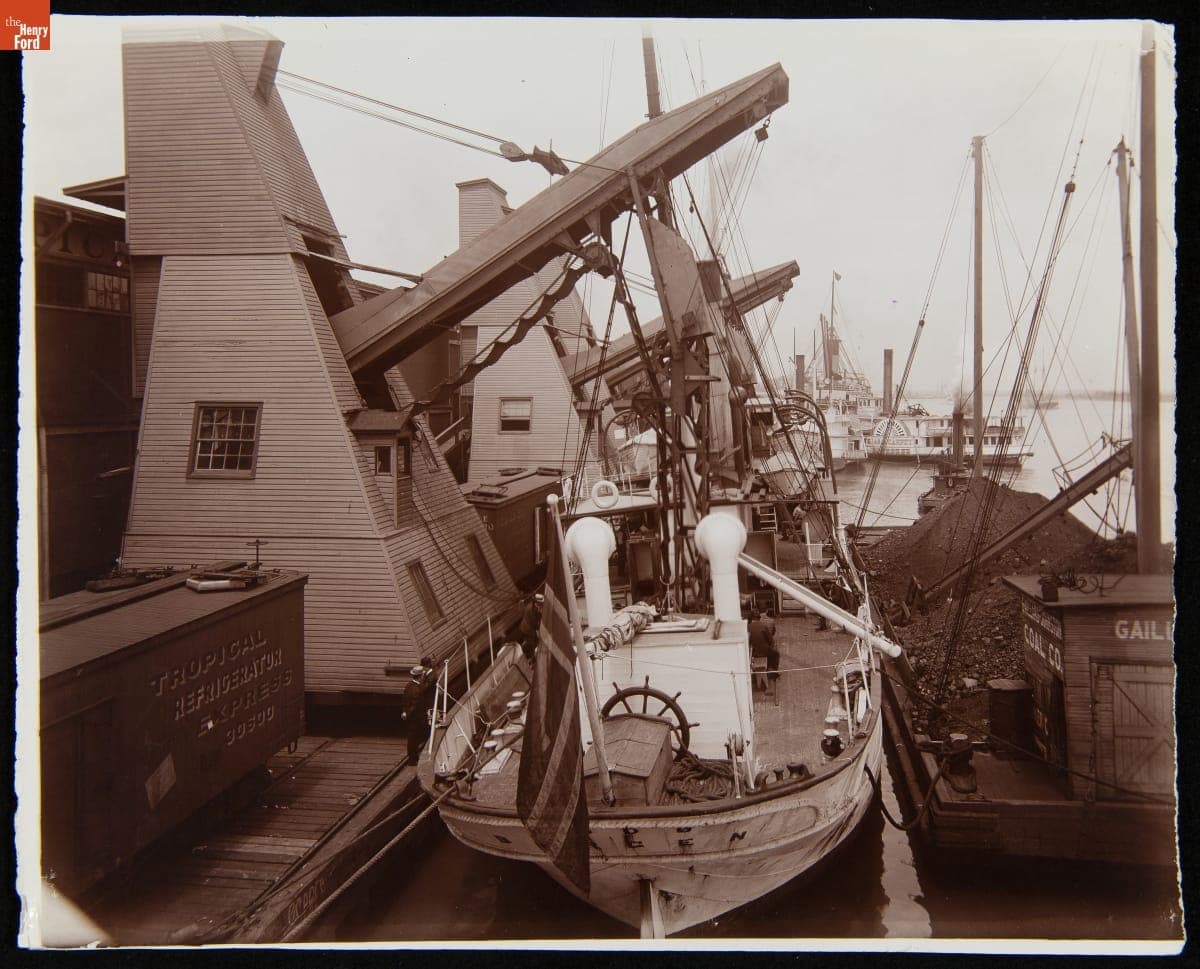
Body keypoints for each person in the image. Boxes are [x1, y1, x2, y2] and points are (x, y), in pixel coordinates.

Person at [401, 660, 436, 763]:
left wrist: (404, 712)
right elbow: (415, 706)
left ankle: (413, 757)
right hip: (417, 718)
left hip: (410, 717)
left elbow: (405, 700)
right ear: (420, 676)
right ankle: (413, 758)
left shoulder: (408, 686)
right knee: (416, 737)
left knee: (412, 737)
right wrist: (411, 714)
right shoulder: (417, 690)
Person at [747, 609, 780, 688]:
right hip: (763, 651)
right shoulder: (762, 626)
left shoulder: (748, 627)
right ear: (759, 617)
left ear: (751, 618)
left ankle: (765, 671)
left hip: (753, 652)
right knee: (776, 654)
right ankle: (772, 672)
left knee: (769, 651)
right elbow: (770, 640)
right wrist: (770, 646)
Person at [517, 592, 544, 662]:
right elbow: (535, 624)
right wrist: (538, 632)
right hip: (527, 629)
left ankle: (529, 653)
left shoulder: (534, 607)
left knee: (533, 642)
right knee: (532, 643)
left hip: (528, 627)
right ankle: (534, 660)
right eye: (540, 604)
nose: (541, 605)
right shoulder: (531, 610)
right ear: (536, 603)